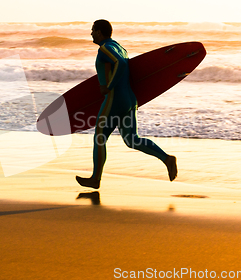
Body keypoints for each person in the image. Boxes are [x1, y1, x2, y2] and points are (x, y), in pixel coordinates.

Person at [76, 19, 177, 189]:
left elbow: (121, 64)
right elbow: (124, 64)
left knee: (99, 137)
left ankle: (96, 179)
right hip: (129, 100)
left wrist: (109, 86)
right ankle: (167, 159)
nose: (91, 33)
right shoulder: (120, 48)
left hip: (114, 100)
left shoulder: (105, 48)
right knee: (132, 140)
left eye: (93, 30)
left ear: (100, 32)